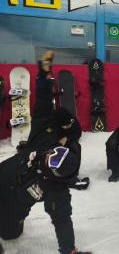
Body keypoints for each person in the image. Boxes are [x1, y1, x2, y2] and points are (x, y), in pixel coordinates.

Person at [0, 145, 94, 254]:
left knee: (10, 235)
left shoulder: (56, 191)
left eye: (54, 160)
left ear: (56, 173)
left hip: (10, 210)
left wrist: (68, 249)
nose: (49, 155)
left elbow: (62, 220)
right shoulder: (42, 150)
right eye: (58, 151)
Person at [18, 51, 89, 190]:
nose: (68, 126)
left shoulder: (66, 118)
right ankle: (44, 72)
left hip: (52, 143)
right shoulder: (47, 117)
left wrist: (66, 137)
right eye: (66, 125)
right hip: (41, 143)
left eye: (68, 125)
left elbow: (76, 132)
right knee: (43, 99)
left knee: (74, 146)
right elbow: (43, 97)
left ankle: (71, 176)